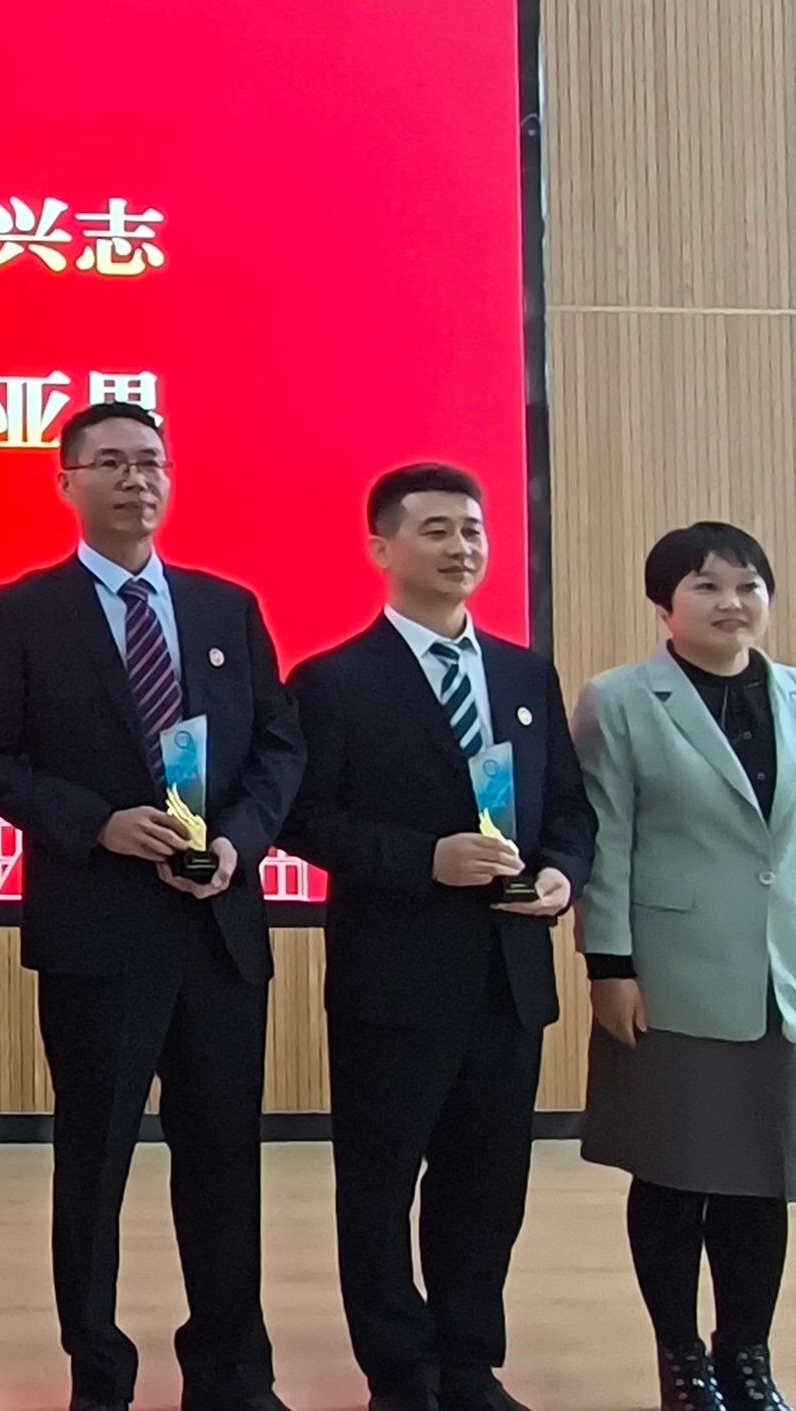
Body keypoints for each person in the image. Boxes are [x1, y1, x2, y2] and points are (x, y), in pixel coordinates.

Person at [0, 402, 304, 1411]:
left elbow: (279, 747)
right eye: (109, 463)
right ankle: (98, 1373)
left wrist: (239, 840)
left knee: (224, 1162)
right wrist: (97, 824)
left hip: (218, 927)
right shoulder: (27, 612)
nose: (135, 479)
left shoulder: (226, 608)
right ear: (67, 482)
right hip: (98, 933)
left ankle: (232, 1374)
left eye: (150, 461)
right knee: (95, 1161)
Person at [278, 464, 591, 1411]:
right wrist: (423, 859)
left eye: (473, 530)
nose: (463, 547)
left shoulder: (525, 675)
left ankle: (468, 1364)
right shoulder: (333, 681)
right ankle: (400, 1371)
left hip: (508, 975)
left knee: (487, 1186)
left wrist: (561, 875)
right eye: (438, 530)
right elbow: (303, 819)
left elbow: (569, 809)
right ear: (382, 547)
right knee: (379, 1188)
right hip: (395, 978)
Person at [571, 521, 796, 1411]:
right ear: (664, 604)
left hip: (789, 977)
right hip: (673, 979)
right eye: (706, 585)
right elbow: (608, 842)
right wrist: (609, 964)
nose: (731, 603)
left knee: (760, 1182)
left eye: (749, 586)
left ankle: (747, 1355)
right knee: (673, 1177)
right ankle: (680, 1358)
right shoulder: (622, 700)